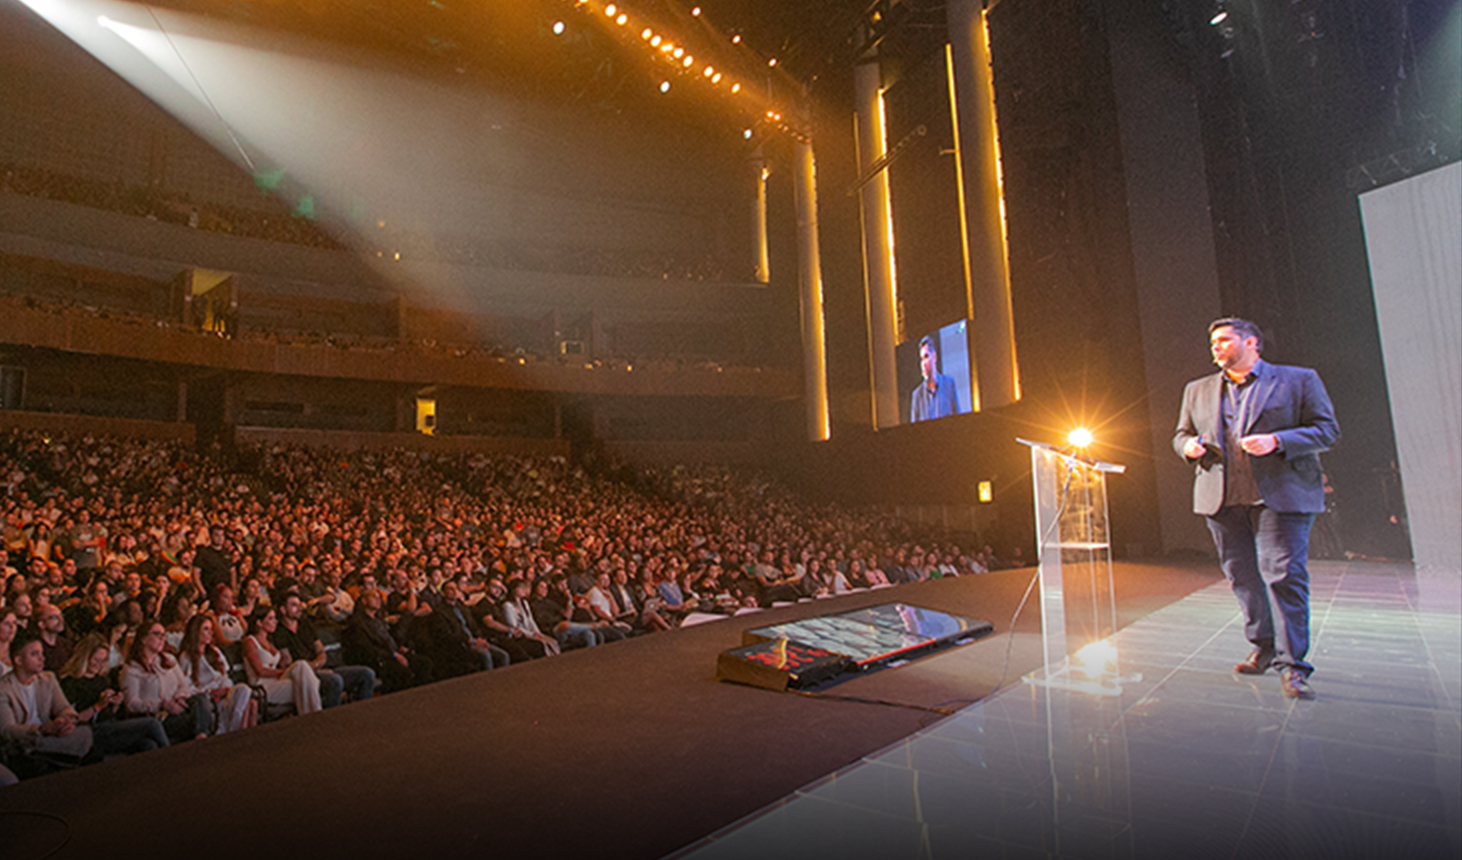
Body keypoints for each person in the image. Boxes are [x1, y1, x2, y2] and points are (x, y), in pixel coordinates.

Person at [1175, 317, 1340, 700]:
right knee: (1241, 576)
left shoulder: (1297, 380)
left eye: (1224, 340)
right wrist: (1187, 448)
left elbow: (1326, 430)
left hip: (1279, 496)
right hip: (1222, 496)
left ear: (1251, 342)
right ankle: (1263, 645)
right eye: (1212, 341)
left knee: (1282, 576)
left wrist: (1278, 440)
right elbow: (1181, 433)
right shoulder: (1197, 390)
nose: (1215, 346)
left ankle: (1294, 666)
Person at [59, 633, 171, 755]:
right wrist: (98, 706)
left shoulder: (102, 679)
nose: (99, 665)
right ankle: (174, 759)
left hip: (110, 726)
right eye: (96, 660)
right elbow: (72, 719)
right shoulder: (71, 682)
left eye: (103, 661)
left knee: (148, 744)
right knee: (151, 723)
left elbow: (110, 714)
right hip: (90, 731)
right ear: (85, 657)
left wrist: (115, 703)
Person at [0, 634, 93, 769]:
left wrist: (66, 721)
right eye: (34, 654)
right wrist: (42, 729)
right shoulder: (4, 688)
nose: (42, 658)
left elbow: (63, 707)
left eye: (42, 653)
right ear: (18, 660)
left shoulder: (47, 679)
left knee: (84, 732)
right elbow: (7, 730)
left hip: (49, 734)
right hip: (25, 740)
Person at [272, 593, 375, 707]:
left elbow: (320, 650)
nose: (299, 608)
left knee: (367, 674)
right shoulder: (279, 632)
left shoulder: (305, 624)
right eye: (294, 605)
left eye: (299, 604)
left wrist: (317, 664)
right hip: (304, 677)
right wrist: (315, 669)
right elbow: (289, 665)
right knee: (335, 681)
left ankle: (362, 714)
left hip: (321, 668)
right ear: (283, 609)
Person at [119, 621, 210, 742]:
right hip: (159, 716)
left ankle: (201, 737)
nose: (162, 639)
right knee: (194, 719)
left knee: (201, 699)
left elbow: (183, 685)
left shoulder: (168, 659)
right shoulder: (131, 669)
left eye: (164, 635)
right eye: (157, 634)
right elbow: (131, 703)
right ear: (144, 639)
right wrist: (161, 705)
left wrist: (179, 698)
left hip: (178, 706)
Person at [176, 616, 256, 733]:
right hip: (208, 695)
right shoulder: (186, 657)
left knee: (244, 690)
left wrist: (226, 689)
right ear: (196, 632)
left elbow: (225, 676)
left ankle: (233, 729)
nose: (210, 633)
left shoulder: (215, 651)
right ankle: (235, 731)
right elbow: (187, 686)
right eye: (206, 629)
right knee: (246, 703)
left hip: (224, 692)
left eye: (211, 629)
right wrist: (211, 693)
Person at [241, 607, 323, 716]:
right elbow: (260, 671)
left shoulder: (270, 641)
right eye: (270, 619)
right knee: (306, 680)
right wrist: (284, 671)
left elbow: (283, 662)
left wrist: (286, 665)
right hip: (262, 685)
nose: (275, 621)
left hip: (278, 681)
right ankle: (316, 715)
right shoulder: (250, 642)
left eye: (275, 618)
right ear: (259, 623)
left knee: (302, 673)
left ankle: (311, 716)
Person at [910, 334, 959, 423]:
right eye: (921, 359)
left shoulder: (949, 385)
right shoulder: (917, 395)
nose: (923, 364)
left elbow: (959, 420)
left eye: (926, 357)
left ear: (934, 357)